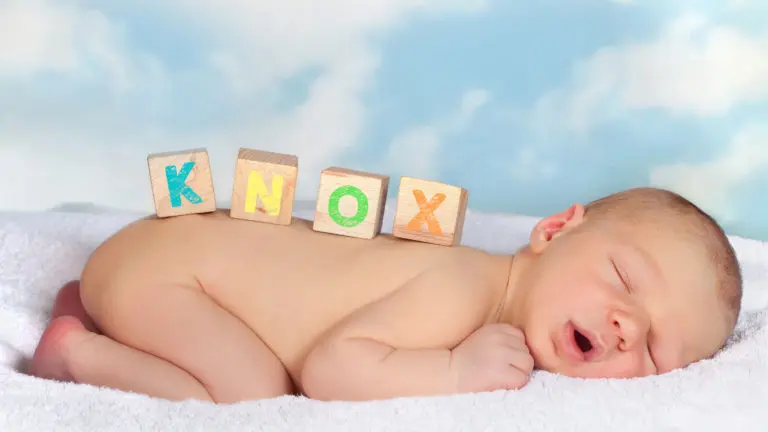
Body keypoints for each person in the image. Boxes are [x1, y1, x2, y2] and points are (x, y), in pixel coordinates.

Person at [27, 187, 742, 404]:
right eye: (624, 279)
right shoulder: (464, 283)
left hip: (161, 262)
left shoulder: (481, 292)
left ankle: (101, 310)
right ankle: (78, 352)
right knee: (252, 389)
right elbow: (332, 368)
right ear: (553, 231)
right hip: (171, 273)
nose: (625, 326)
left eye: (652, 348)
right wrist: (452, 373)